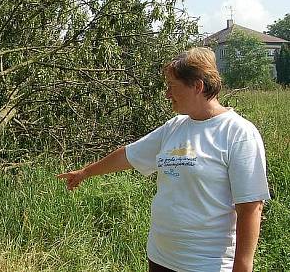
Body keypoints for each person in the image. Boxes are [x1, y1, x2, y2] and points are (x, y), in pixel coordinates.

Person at [57, 47, 270, 272]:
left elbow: (250, 207)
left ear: (197, 86)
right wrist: (85, 172)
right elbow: (128, 155)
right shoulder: (174, 127)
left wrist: (242, 267)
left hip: (206, 264)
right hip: (161, 259)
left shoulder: (238, 133)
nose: (167, 94)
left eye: (172, 87)